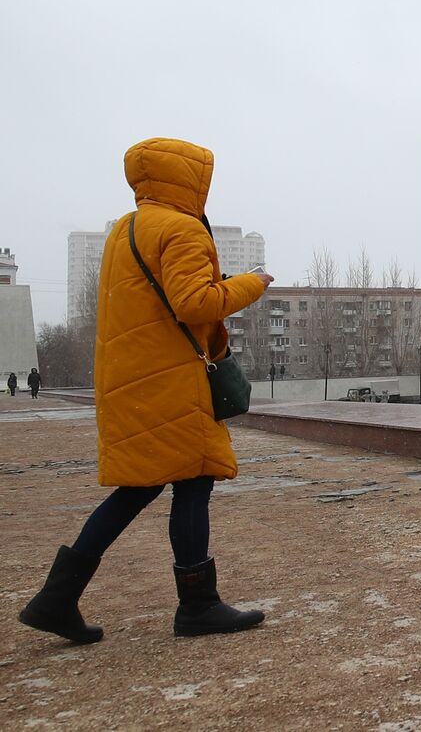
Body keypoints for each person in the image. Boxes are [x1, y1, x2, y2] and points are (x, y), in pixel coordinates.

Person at [19, 138, 274, 645]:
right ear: (189, 179)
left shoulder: (125, 229)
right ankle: (198, 606)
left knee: (139, 486)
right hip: (172, 383)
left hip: (131, 379)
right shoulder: (181, 228)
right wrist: (252, 282)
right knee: (193, 480)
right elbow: (194, 303)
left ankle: (57, 598)